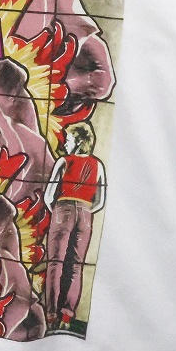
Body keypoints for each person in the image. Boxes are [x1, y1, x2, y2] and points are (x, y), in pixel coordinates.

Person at [43, 121, 106, 330]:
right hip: (86, 214)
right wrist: (85, 210)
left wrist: (58, 212)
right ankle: (67, 315)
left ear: (79, 141)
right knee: (76, 266)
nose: (65, 144)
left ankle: (51, 314)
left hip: (63, 209)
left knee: (56, 262)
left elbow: (48, 196)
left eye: (69, 140)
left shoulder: (64, 161)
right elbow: (100, 201)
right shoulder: (98, 165)